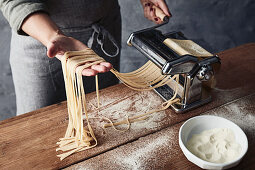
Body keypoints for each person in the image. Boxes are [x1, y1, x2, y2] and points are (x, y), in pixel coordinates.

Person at [0, 0, 171, 115]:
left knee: (103, 117)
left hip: (103, 33)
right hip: (43, 39)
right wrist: (53, 36)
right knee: (38, 134)